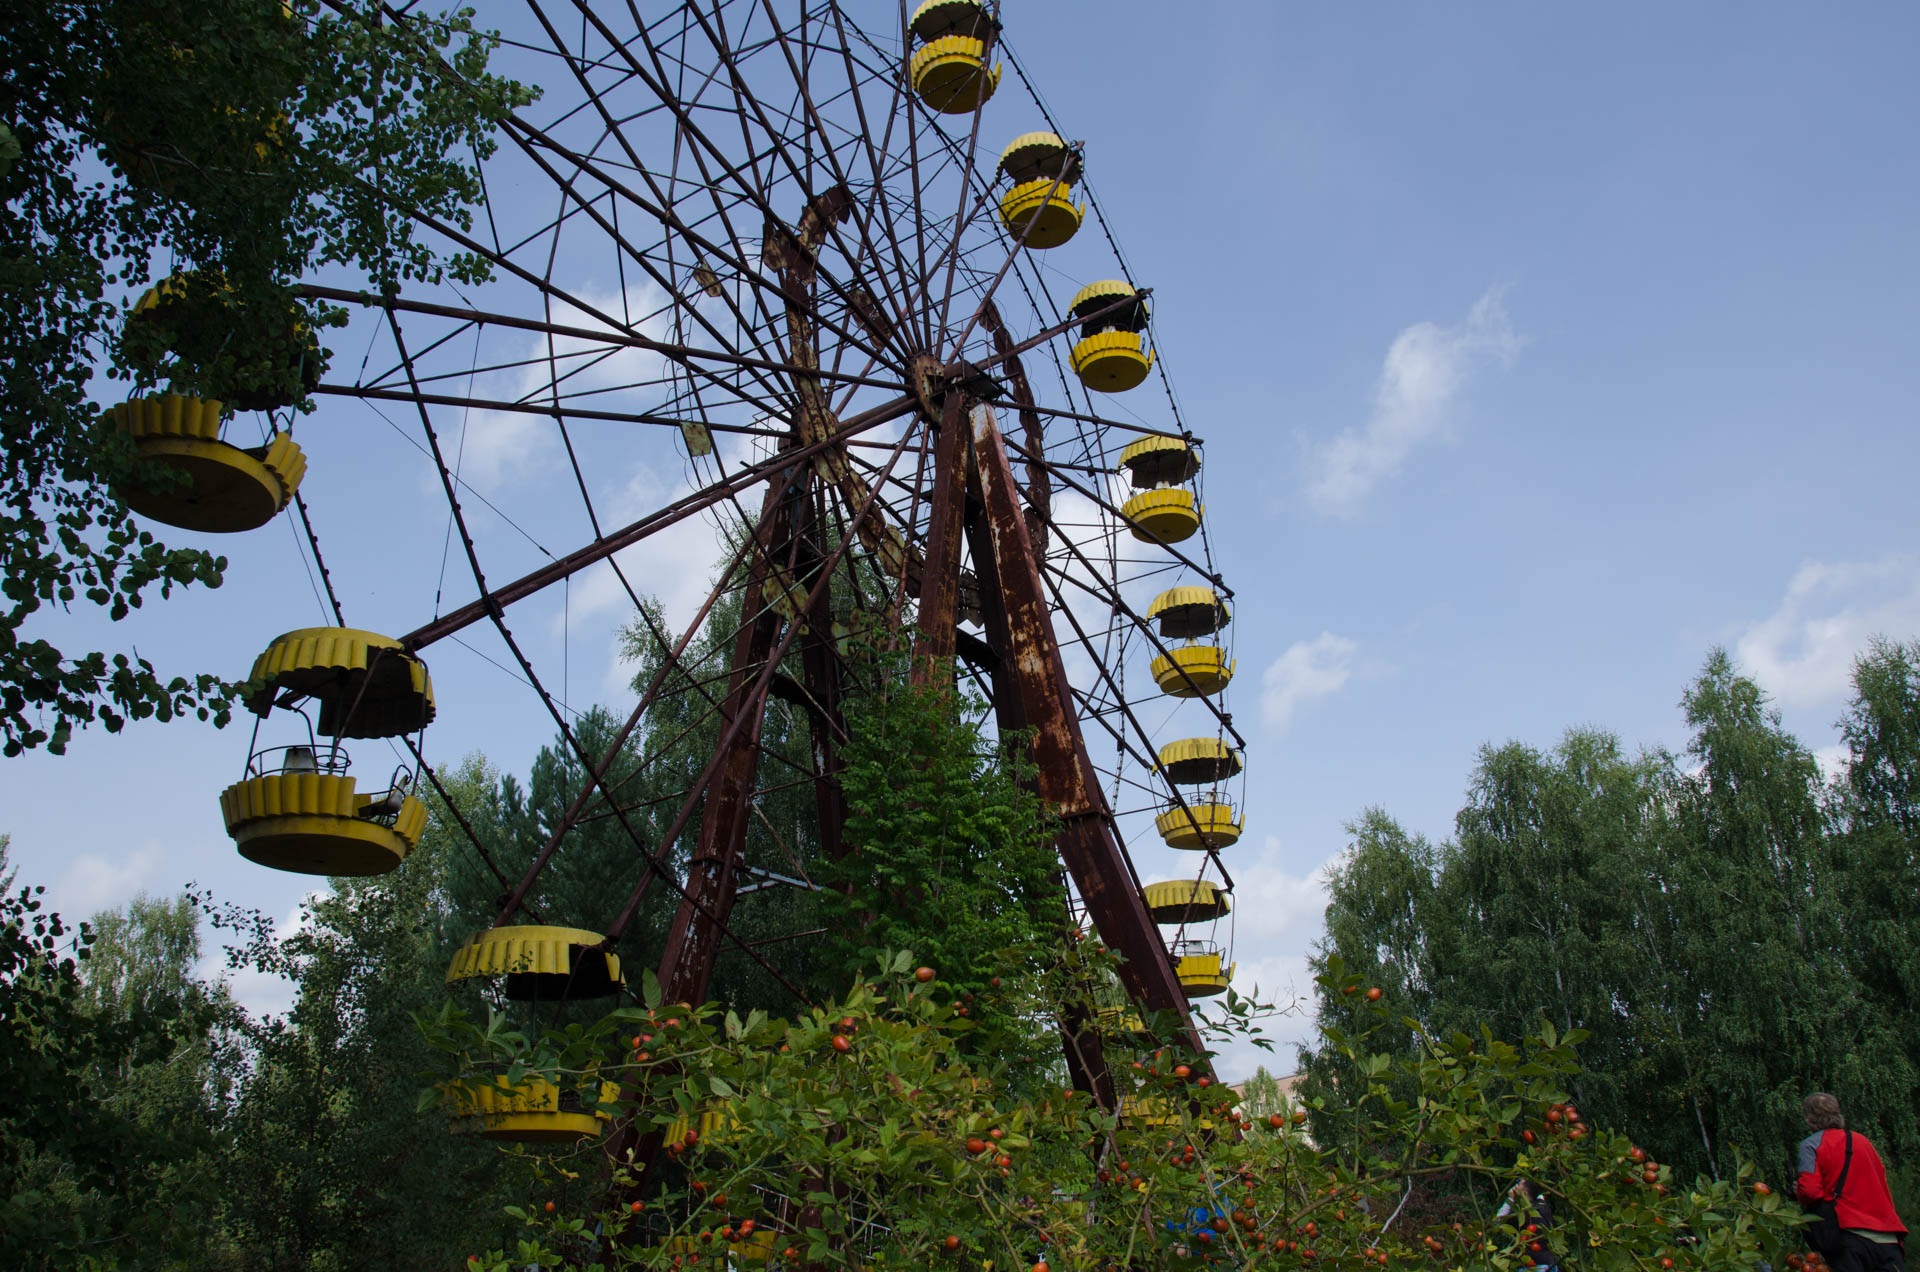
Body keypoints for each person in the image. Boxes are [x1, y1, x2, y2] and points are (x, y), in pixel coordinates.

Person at [1797, 1093, 1906, 1272]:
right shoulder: (1863, 1142)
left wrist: (1798, 1192)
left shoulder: (1810, 1145)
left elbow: (1810, 1191)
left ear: (1809, 1118)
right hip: (1888, 1238)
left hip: (1849, 1237)